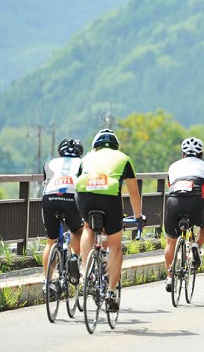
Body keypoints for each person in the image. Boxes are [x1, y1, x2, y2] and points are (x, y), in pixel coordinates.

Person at [75, 128, 143, 312]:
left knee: (88, 228)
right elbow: (134, 194)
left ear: (95, 146)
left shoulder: (87, 157)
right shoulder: (124, 158)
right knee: (114, 245)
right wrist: (138, 217)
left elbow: (77, 180)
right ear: (116, 146)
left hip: (85, 194)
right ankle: (111, 292)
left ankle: (84, 270)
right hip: (110, 198)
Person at [163, 137, 204, 293]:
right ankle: (196, 246)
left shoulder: (173, 166)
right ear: (201, 154)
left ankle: (170, 276)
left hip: (174, 201)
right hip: (195, 201)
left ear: (182, 153)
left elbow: (170, 187)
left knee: (170, 242)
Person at [41, 138, 85, 295]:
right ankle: (74, 258)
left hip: (50, 198)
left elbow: (46, 181)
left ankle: (47, 281)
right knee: (77, 231)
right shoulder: (82, 163)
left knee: (50, 241)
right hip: (71, 198)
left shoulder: (50, 163)